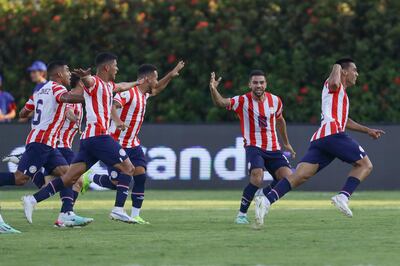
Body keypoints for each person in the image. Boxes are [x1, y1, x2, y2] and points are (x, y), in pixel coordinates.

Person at [254, 58, 385, 226]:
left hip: (322, 138)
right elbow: (334, 84)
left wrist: (367, 130)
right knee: (365, 165)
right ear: (344, 71)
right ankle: (343, 196)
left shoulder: (342, 94)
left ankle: (265, 201)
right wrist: (337, 65)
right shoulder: (333, 84)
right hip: (333, 134)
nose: (357, 74)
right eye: (354, 70)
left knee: (299, 176)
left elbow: (345, 120)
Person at [21, 52, 143, 224]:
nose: (117, 68)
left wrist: (137, 83)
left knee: (69, 178)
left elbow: (122, 86)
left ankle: (32, 200)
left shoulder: (108, 86)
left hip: (88, 140)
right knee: (129, 168)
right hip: (99, 136)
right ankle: (118, 210)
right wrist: (85, 77)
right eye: (115, 65)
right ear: (107, 67)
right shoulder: (94, 82)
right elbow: (89, 82)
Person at [81, 61, 185, 223]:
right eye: (155, 78)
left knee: (141, 175)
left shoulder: (145, 94)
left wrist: (171, 75)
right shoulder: (129, 93)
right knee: (117, 182)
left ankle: (136, 214)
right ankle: (91, 177)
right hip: (116, 141)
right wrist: (118, 122)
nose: (156, 82)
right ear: (148, 78)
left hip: (133, 143)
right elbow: (112, 106)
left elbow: (158, 89)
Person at [0, 61, 90, 226]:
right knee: (20, 179)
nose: (70, 74)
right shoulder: (58, 88)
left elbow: (23, 112)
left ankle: (63, 214)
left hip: (48, 143)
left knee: (69, 175)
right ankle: (38, 202)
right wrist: (92, 96)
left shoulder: (40, 91)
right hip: (41, 142)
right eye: (67, 70)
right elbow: (67, 97)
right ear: (59, 74)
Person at [209, 70, 296, 224]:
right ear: (250, 84)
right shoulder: (242, 101)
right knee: (257, 175)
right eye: (255, 82)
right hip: (254, 145)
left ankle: (264, 195)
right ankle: (241, 215)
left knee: (288, 177)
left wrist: (286, 143)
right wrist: (213, 89)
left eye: (261, 82)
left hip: (274, 148)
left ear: (266, 84)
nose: (258, 85)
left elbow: (280, 120)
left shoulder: (275, 101)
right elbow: (221, 103)